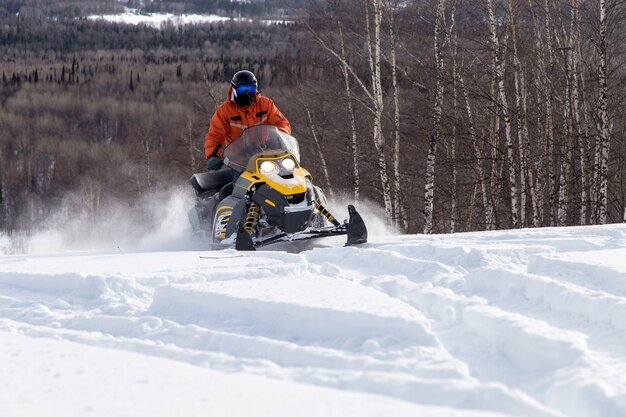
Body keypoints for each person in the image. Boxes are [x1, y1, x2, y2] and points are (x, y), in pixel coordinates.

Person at [204, 70, 291, 171]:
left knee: (289, 173)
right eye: (242, 89)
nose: (247, 93)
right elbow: (215, 135)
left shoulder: (266, 104)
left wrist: (278, 137)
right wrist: (213, 156)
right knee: (236, 183)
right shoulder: (224, 111)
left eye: (251, 88)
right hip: (239, 161)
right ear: (234, 89)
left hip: (267, 155)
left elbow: (282, 123)